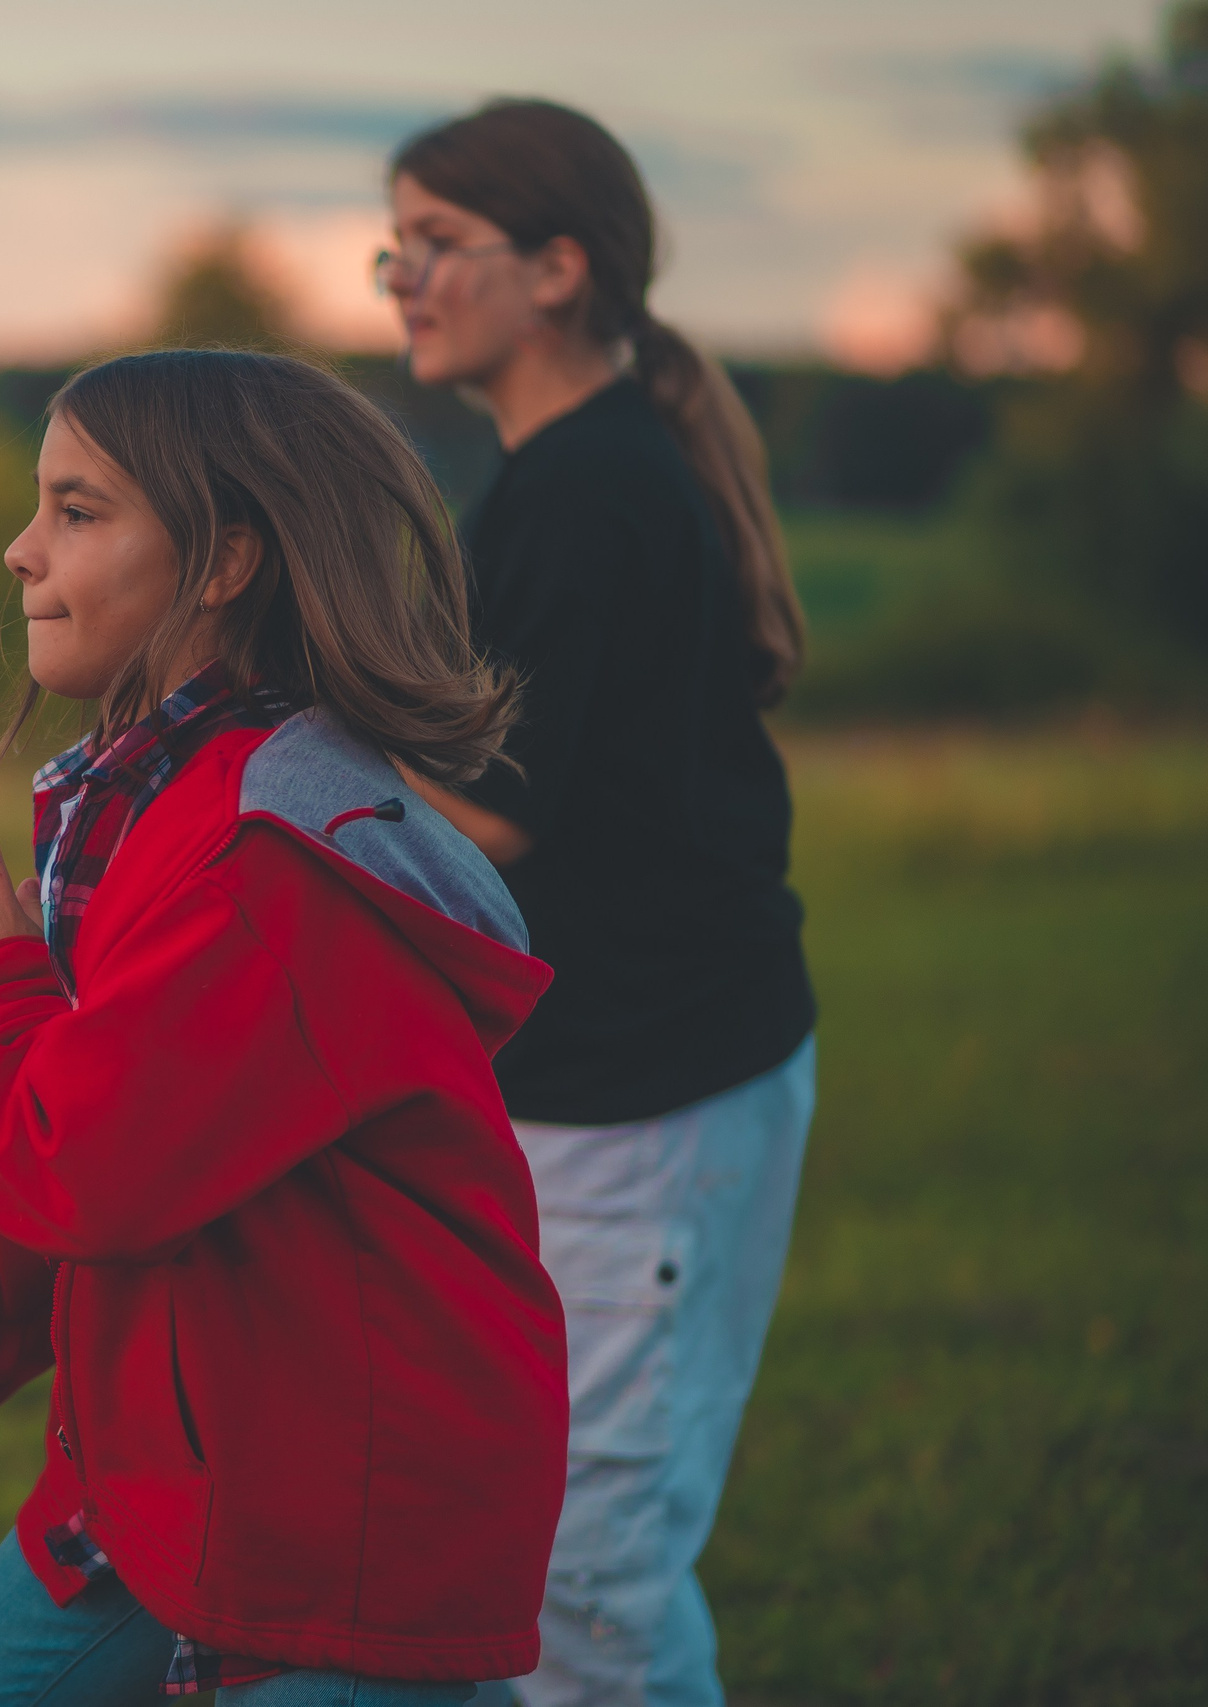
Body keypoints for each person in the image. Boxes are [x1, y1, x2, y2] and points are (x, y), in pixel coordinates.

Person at [0, 349, 569, 1706]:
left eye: (79, 511)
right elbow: (46, 1186)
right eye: (40, 506)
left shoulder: (270, 865)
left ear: (224, 558)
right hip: (164, 1494)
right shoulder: (143, 807)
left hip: (347, 1532)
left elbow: (82, 1166)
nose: (20, 552)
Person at [375, 100, 820, 1707]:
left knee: (590, 1579)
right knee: (533, 1546)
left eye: (437, 246)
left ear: (559, 269)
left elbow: (487, 811)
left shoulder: (586, 489)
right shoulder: (570, 470)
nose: (402, 279)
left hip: (657, 1094)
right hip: (604, 1089)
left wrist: (280, 757)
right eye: (396, 246)